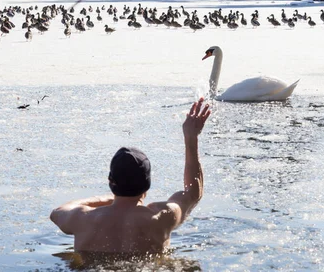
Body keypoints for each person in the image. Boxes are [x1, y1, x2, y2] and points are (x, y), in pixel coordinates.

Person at [50, 98, 211, 256]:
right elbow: (193, 192)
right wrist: (191, 138)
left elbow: (57, 212)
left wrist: (105, 200)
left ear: (111, 181)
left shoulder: (83, 219)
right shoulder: (161, 217)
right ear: (147, 184)